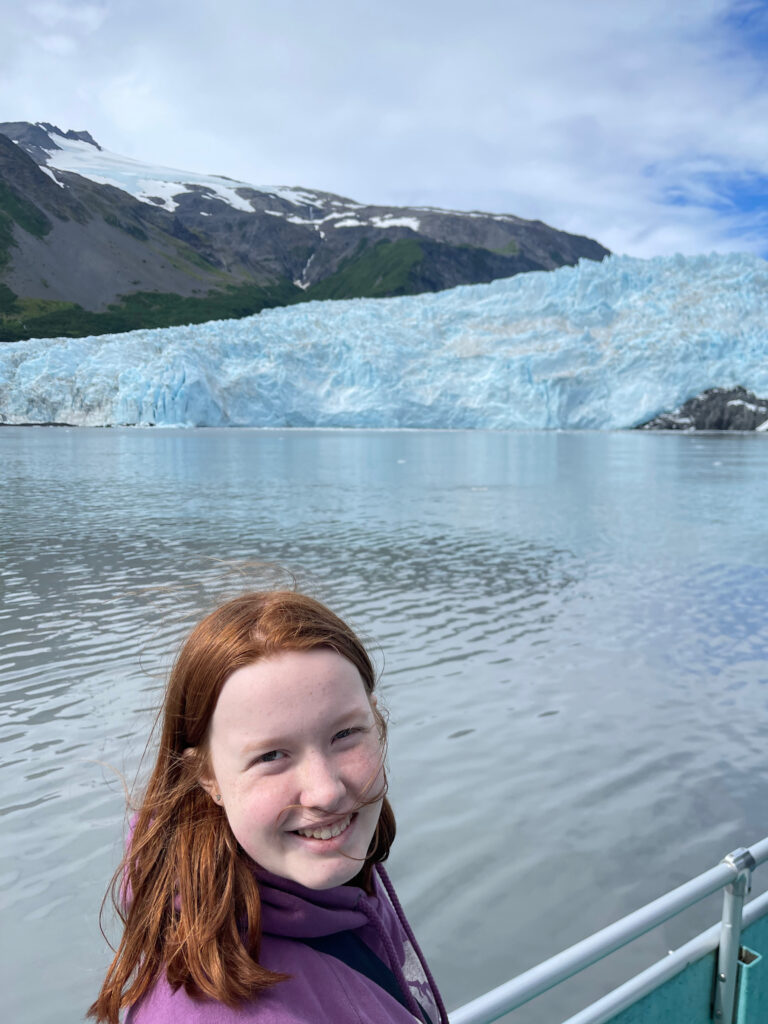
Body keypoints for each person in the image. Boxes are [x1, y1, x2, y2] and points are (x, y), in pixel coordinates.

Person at [89, 590, 448, 1024]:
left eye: (346, 734)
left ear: (378, 722)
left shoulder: (339, 876)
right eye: (271, 756)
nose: (326, 792)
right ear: (206, 775)